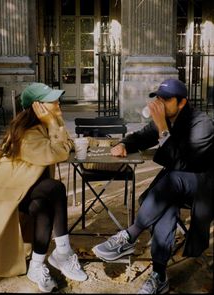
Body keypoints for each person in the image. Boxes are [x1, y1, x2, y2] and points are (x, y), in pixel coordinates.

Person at [92, 78, 214, 294]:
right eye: (158, 98)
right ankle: (159, 274)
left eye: (166, 99)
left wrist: (163, 129)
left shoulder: (201, 123)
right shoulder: (166, 118)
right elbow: (141, 137)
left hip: (203, 185)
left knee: (172, 180)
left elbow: (185, 164)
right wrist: (124, 144)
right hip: (174, 188)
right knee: (166, 203)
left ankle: (130, 235)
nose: (159, 103)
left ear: (182, 102)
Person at [0, 82, 87, 293]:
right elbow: (59, 152)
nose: (58, 105)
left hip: (28, 191)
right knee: (55, 189)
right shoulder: (28, 135)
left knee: (43, 204)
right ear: (39, 108)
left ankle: (36, 266)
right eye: (53, 102)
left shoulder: (42, 127)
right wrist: (55, 125)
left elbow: (66, 144)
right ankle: (62, 253)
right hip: (8, 194)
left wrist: (58, 127)